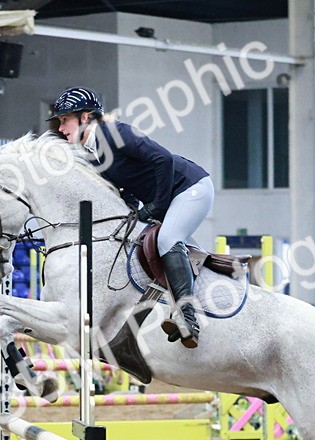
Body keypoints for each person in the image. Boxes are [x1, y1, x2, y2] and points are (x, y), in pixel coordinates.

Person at [48, 86, 213, 349]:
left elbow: (163, 159)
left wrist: (156, 206)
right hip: (173, 197)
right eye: (59, 122)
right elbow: (128, 190)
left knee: (168, 239)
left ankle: (187, 316)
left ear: (86, 117)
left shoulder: (116, 133)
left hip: (191, 188)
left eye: (65, 120)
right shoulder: (95, 154)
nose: (61, 128)